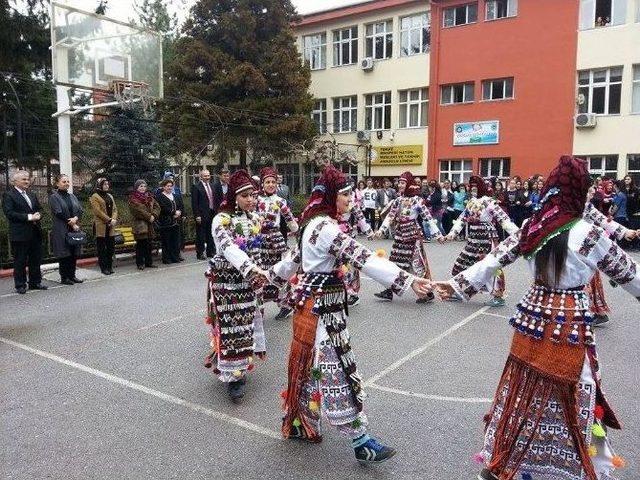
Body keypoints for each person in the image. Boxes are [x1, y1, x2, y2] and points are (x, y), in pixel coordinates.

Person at [436, 155, 640, 480]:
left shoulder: (534, 226)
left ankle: (501, 459)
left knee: (522, 389)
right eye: (586, 190)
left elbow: (495, 258)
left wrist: (457, 285)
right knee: (583, 388)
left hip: (531, 319)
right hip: (567, 323)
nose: (588, 196)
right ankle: (596, 468)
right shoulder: (585, 232)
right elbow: (631, 274)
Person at [267, 166, 432, 464]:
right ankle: (361, 441)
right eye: (345, 195)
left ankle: (299, 421)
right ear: (331, 196)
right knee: (337, 369)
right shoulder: (327, 228)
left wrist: (268, 278)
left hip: (308, 306)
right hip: (323, 309)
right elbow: (361, 256)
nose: (350, 201)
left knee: (306, 366)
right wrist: (408, 281)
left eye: (350, 195)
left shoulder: (310, 225)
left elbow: (291, 262)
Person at [204, 169, 268, 401]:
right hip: (227, 283)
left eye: (253, 195)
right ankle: (233, 379)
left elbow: (259, 248)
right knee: (232, 328)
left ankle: (241, 365)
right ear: (234, 197)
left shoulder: (255, 218)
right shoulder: (221, 219)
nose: (251, 200)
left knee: (246, 327)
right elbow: (228, 247)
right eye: (245, 196)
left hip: (249, 283)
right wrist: (249, 268)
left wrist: (264, 273)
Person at [443, 175, 519, 307]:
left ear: (481, 188)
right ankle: (459, 290)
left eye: (475, 187)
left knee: (493, 265)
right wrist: (451, 234)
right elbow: (462, 219)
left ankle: (498, 296)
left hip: (487, 237)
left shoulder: (489, 202)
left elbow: (503, 219)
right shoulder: (471, 203)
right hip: (473, 238)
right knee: (461, 263)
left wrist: (519, 235)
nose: (473, 190)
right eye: (471, 188)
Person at [373, 172, 441, 303]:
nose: (400, 185)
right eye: (399, 182)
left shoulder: (417, 200)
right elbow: (390, 216)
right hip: (400, 235)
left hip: (413, 236)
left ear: (409, 184)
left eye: (403, 183)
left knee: (417, 266)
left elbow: (428, 217)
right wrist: (381, 231)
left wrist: (438, 235)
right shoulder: (398, 200)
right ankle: (389, 290)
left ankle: (427, 293)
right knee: (394, 263)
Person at [256, 167, 299, 320]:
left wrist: (300, 234)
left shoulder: (280, 201)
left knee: (279, 274)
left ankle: (286, 305)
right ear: (262, 184)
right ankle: (257, 309)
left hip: (275, 243)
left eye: (273, 182)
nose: (271, 184)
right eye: (267, 182)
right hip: (259, 242)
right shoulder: (255, 200)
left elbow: (290, 220)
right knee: (258, 275)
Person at [2, 171, 46, 294]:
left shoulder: (31, 194)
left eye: (27, 179)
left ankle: (35, 282)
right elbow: (9, 213)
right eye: (24, 179)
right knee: (20, 260)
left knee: (35, 259)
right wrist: (29, 217)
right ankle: (20, 285)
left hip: (35, 232)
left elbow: (39, 209)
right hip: (20, 234)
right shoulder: (9, 195)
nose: (27, 181)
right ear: (15, 181)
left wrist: (39, 215)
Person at [49, 174, 84, 285]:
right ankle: (64, 277)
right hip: (62, 229)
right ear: (57, 183)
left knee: (73, 253)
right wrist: (72, 223)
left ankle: (72, 275)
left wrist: (76, 218)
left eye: (68, 181)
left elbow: (80, 210)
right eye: (64, 182)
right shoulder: (54, 197)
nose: (67, 183)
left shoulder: (72, 196)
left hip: (73, 229)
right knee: (64, 254)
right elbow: (59, 212)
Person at [128, 179, 160, 270]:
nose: (143, 188)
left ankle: (148, 262)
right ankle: (140, 263)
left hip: (149, 225)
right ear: (136, 187)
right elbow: (137, 211)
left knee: (149, 244)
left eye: (144, 186)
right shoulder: (133, 198)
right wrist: (149, 217)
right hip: (140, 225)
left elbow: (157, 207)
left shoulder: (149, 196)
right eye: (140, 186)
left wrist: (154, 215)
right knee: (141, 245)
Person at [90, 178, 118, 275]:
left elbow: (115, 209)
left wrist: (113, 219)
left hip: (111, 226)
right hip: (101, 226)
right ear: (99, 185)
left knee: (110, 248)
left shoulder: (110, 196)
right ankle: (104, 268)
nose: (107, 186)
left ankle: (110, 267)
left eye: (107, 184)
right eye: (104, 184)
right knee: (102, 248)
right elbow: (97, 211)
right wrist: (109, 220)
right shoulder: (95, 196)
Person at [155, 179, 182, 264]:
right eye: (168, 186)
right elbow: (163, 208)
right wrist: (174, 212)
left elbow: (180, 205)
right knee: (166, 241)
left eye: (171, 186)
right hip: (165, 222)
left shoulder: (175, 195)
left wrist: (179, 212)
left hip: (175, 222)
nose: (169, 188)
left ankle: (175, 257)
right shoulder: (160, 197)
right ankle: (167, 258)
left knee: (175, 240)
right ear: (163, 187)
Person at [191, 169, 216, 260]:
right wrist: (197, 215)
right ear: (201, 177)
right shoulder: (196, 186)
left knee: (210, 233)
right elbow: (194, 202)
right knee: (201, 235)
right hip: (201, 214)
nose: (207, 177)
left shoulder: (212, 186)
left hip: (212, 213)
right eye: (205, 176)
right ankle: (200, 253)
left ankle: (210, 251)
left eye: (208, 175)